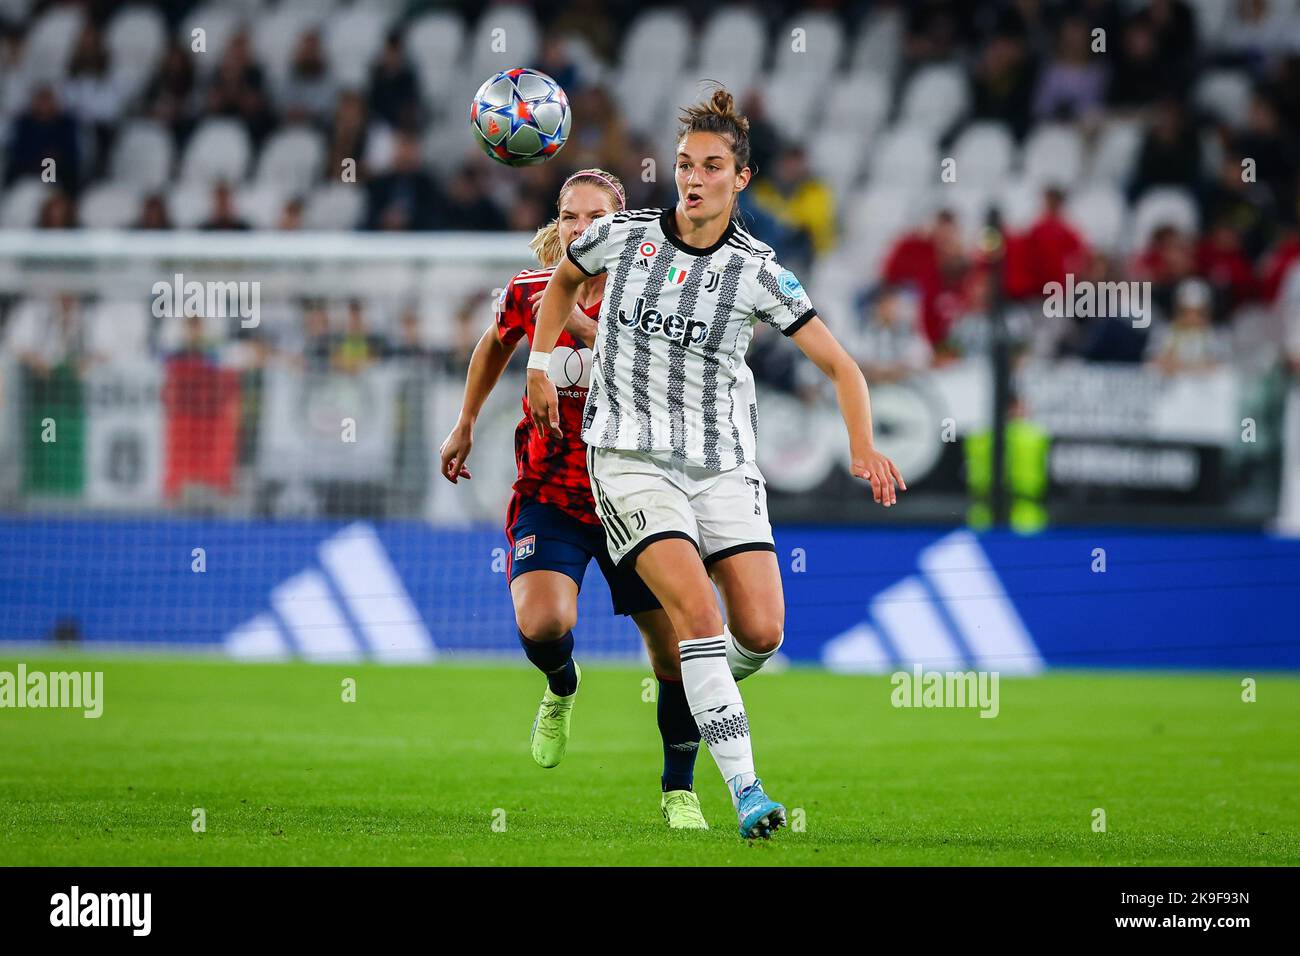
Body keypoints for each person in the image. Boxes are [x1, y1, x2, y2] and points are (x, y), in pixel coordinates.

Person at [528, 87, 905, 839]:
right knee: (696, 613)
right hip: (630, 460)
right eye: (683, 165)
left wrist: (863, 444)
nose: (692, 178)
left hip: (725, 468)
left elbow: (843, 367)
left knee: (761, 632)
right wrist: (540, 361)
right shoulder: (625, 237)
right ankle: (748, 792)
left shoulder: (760, 272)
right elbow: (563, 277)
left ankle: (699, 682)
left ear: (741, 179)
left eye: (710, 166)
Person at [439, 169, 710, 830]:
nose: (581, 229)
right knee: (543, 626)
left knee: (674, 653)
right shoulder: (530, 291)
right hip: (552, 497)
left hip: (637, 500)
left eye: (596, 216)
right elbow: (492, 343)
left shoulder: (656, 296)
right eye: (569, 217)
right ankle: (563, 686)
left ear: (623, 223)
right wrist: (467, 420)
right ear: (556, 225)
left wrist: (586, 329)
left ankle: (679, 789)